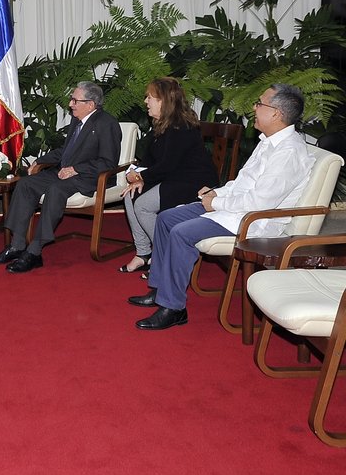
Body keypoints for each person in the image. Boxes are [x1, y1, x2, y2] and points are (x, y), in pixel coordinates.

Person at [128, 83, 315, 330]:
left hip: (254, 220)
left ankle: (173, 308)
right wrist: (217, 192)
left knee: (181, 233)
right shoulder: (269, 142)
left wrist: (216, 202)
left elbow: (260, 202)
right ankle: (161, 289)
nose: (254, 107)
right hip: (234, 209)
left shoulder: (288, 153)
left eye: (259, 103)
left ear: (276, 114)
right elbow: (242, 184)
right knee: (166, 219)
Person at [0, 81, 121, 273]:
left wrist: (76, 169)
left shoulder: (107, 124)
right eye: (71, 99)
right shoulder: (77, 120)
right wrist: (39, 161)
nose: (70, 104)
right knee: (25, 184)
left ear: (90, 104)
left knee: (55, 190)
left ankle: (34, 252)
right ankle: (17, 245)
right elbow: (65, 151)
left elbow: (108, 162)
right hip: (64, 172)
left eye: (75, 100)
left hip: (89, 177)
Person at [119, 77, 218, 274]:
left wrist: (141, 178)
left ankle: (165, 256)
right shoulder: (161, 123)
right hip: (173, 177)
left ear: (163, 100)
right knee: (130, 195)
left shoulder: (181, 126)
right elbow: (149, 159)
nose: (146, 101)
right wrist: (135, 175)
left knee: (143, 205)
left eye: (150, 97)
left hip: (194, 182)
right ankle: (143, 253)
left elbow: (167, 165)